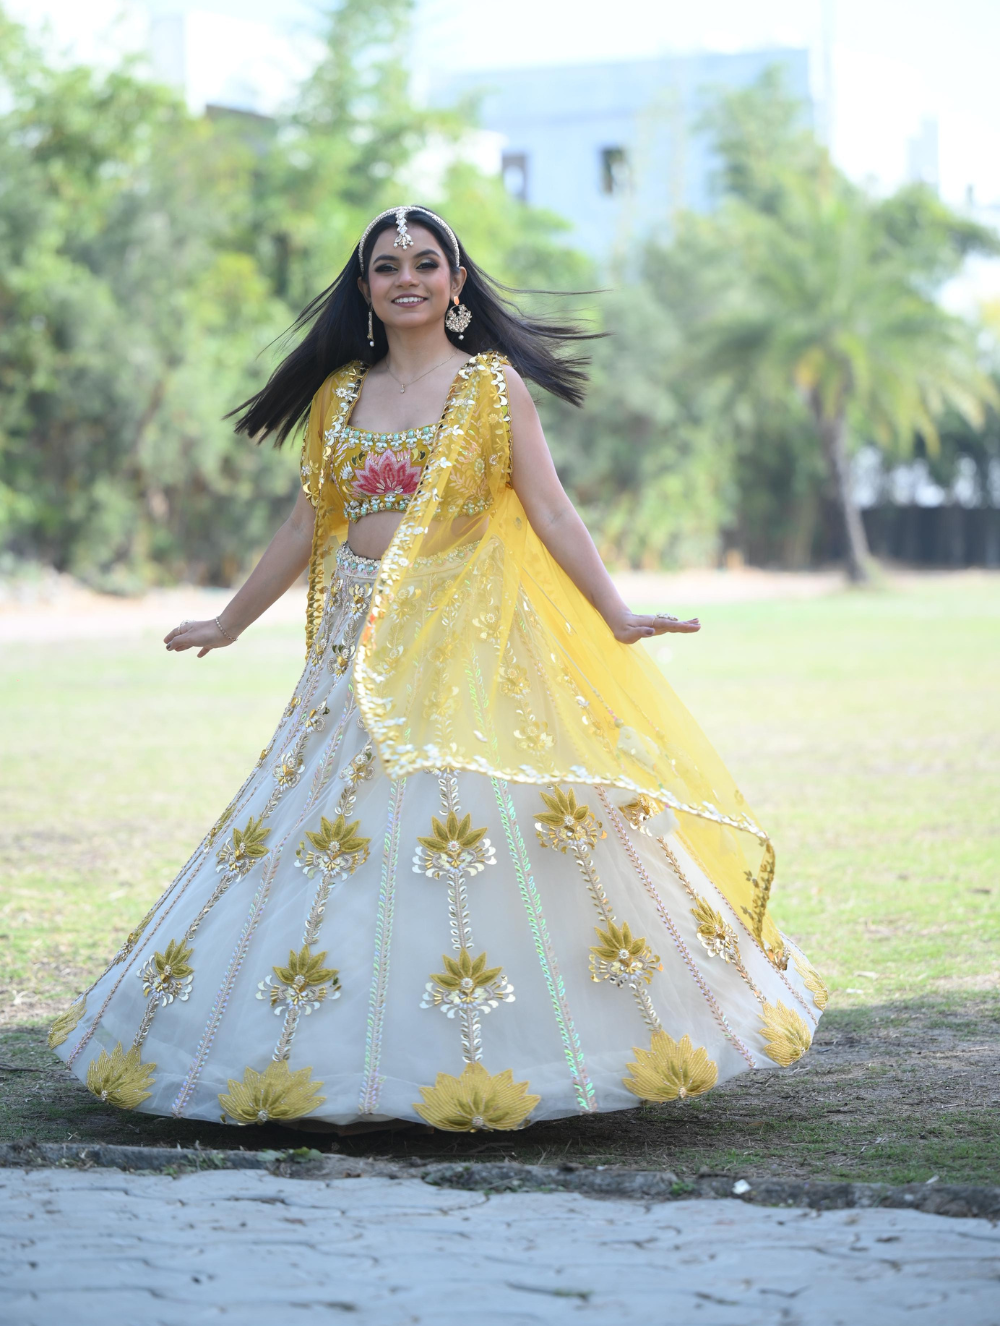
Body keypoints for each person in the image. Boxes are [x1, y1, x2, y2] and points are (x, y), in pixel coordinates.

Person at [51, 205, 826, 1132]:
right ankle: (329, 1056)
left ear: (457, 285)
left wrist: (616, 615)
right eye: (387, 266)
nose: (406, 277)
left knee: (480, 822)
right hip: (355, 645)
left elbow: (552, 509)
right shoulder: (340, 395)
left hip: (469, 643)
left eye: (426, 262)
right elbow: (305, 525)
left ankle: (524, 1054)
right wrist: (229, 620)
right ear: (367, 288)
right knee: (332, 829)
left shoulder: (493, 390)